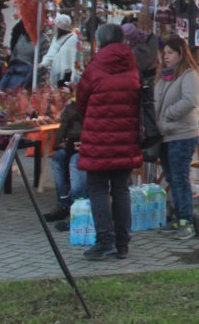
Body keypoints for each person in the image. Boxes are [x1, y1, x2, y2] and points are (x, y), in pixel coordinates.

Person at [76, 23, 141, 261]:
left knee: (98, 188)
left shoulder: (94, 67)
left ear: (100, 40)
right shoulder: (132, 67)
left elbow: (80, 101)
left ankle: (105, 240)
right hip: (126, 138)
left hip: (98, 138)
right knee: (121, 189)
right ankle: (122, 242)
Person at [155, 36, 199, 241]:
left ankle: (186, 221)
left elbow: (189, 101)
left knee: (180, 177)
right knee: (171, 177)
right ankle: (177, 215)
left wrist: (168, 115)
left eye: (170, 53)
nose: (166, 57)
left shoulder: (189, 75)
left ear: (180, 54)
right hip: (165, 134)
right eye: (164, 53)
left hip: (182, 134)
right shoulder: (164, 77)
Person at [41, 100, 86, 231]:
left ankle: (77, 209)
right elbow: (63, 128)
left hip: (95, 145)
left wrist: (87, 144)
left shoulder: (98, 104)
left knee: (75, 161)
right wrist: (58, 144)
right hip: (75, 143)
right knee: (58, 157)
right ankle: (63, 203)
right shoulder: (71, 107)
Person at [40, 14, 80, 87]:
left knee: (60, 95)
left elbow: (51, 55)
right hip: (69, 74)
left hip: (60, 74)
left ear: (58, 27)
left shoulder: (57, 39)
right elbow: (78, 57)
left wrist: (43, 64)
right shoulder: (75, 39)